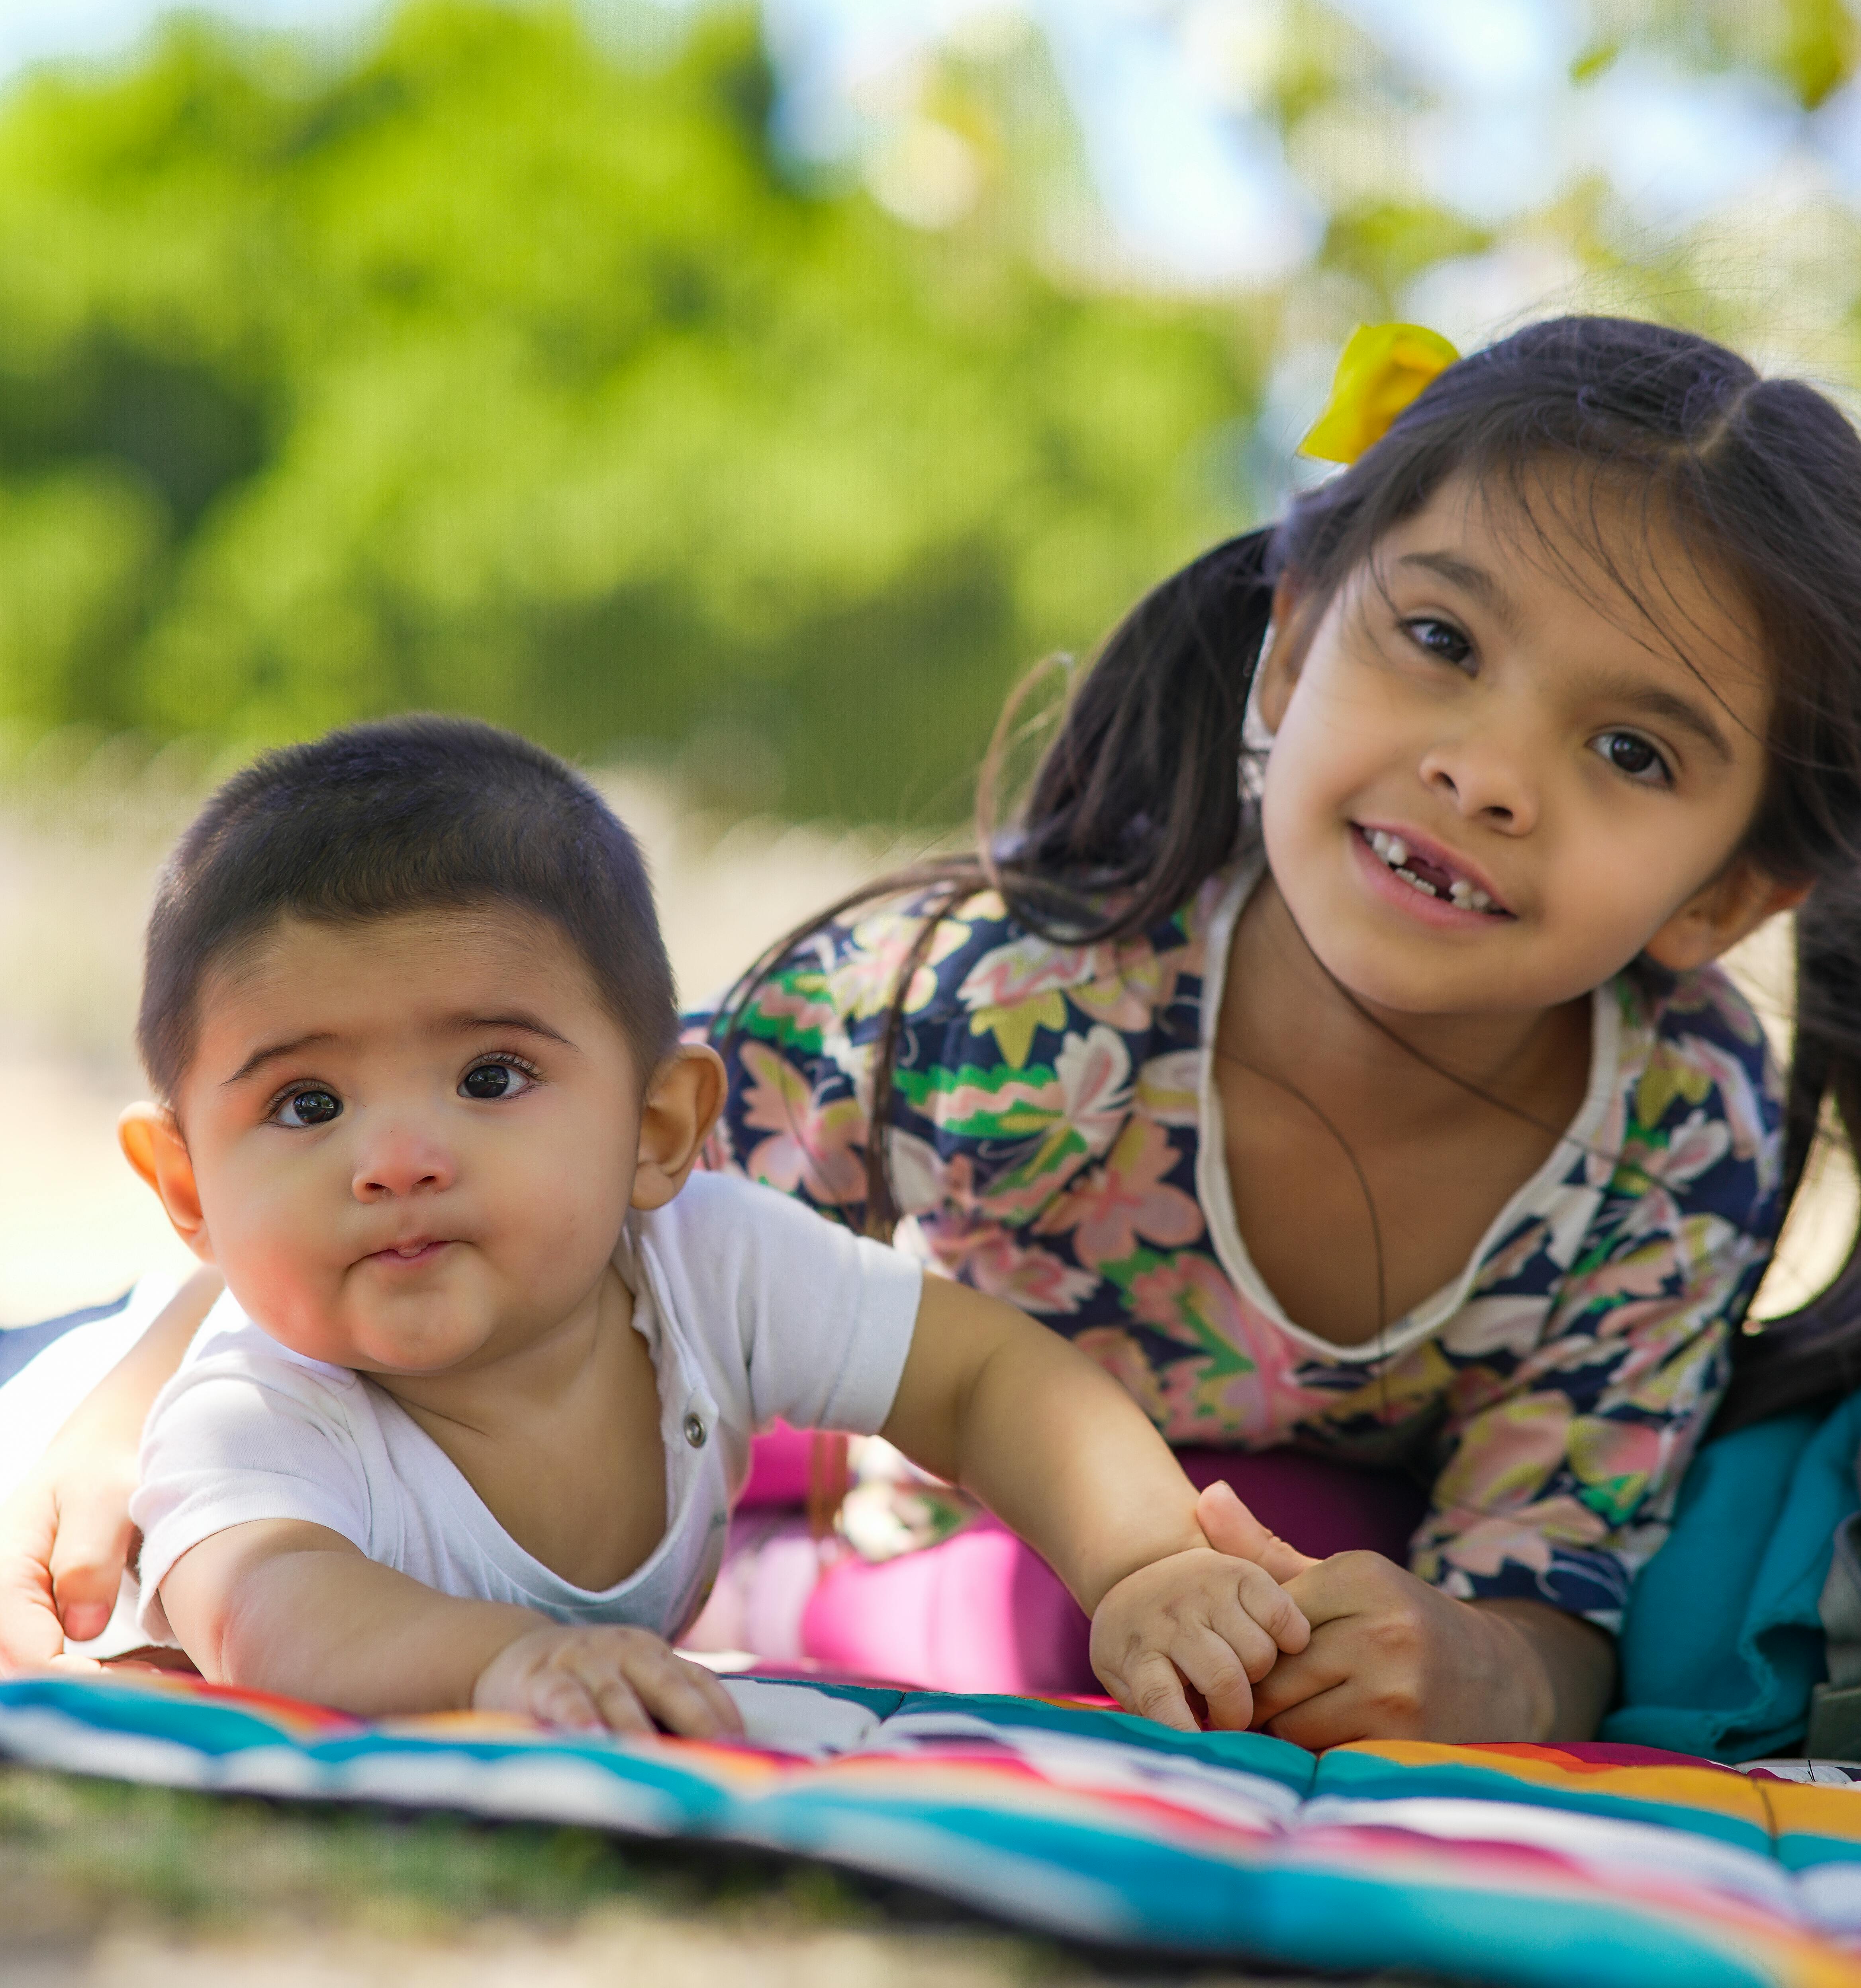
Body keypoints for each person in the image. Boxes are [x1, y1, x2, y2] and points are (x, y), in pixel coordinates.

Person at [694, 315, 1861, 1747]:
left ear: (1730, 893)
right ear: (1295, 642)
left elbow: (1555, 1591)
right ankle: (771, 1586)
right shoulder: (995, 1013)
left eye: (1634, 751)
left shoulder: (1680, 1133)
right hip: (909, 1487)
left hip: (1304, 1524)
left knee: (1301, 1570)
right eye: (1441, 639)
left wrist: (1476, 1668)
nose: (1486, 774)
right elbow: (596, 1254)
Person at [0, 716, 1311, 1736]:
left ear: (660, 1129)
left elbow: (980, 1374)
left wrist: (1141, 1564)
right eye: (307, 1101)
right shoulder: (255, 1409)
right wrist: (505, 1667)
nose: (396, 1160)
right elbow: (278, 1619)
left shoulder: (707, 1263)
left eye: (491, 1078)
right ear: (186, 1191)